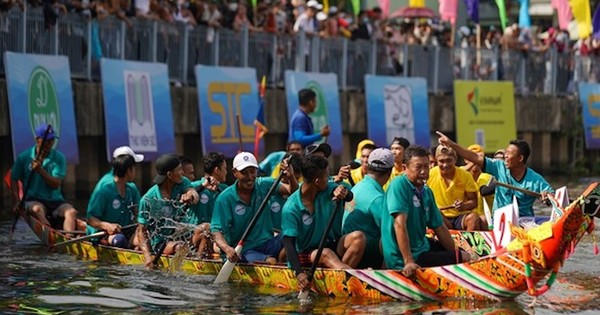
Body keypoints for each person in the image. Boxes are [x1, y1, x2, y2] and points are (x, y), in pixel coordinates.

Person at [381, 145, 471, 277]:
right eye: (418, 167)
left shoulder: (426, 191)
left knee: (464, 254)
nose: (424, 171)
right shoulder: (399, 185)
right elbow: (399, 224)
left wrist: (455, 253)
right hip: (404, 258)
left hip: (422, 247)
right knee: (463, 257)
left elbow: (439, 227)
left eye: (426, 166)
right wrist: (408, 262)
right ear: (405, 168)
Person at [282, 155, 365, 292]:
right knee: (325, 253)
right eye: (327, 176)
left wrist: (342, 192)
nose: (330, 179)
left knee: (358, 237)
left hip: (328, 244)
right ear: (317, 181)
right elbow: (289, 244)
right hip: (304, 253)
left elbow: (350, 196)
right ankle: (358, 280)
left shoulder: (326, 188)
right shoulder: (291, 208)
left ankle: (342, 278)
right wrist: (299, 273)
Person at [437, 132, 554, 220]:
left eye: (509, 154)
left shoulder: (535, 180)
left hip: (524, 221)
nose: (505, 156)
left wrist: (547, 197)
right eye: (505, 153)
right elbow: (475, 157)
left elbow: (553, 196)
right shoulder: (499, 167)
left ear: (520, 158)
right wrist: (451, 144)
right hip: (500, 222)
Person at [211, 152, 298, 264]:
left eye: (252, 172)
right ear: (234, 173)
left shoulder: (263, 184)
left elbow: (293, 193)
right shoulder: (225, 199)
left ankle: (285, 261)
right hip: (243, 250)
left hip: (268, 243)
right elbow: (215, 231)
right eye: (244, 173)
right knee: (271, 261)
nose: (249, 177)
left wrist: (291, 177)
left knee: (292, 234)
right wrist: (227, 249)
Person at [11, 124, 80, 236]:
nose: (49, 144)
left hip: (55, 200)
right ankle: (49, 233)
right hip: (33, 199)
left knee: (71, 212)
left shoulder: (59, 158)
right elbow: (14, 178)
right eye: (47, 140)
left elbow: (55, 184)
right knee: (37, 209)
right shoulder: (24, 157)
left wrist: (40, 171)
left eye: (52, 140)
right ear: (37, 140)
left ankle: (69, 238)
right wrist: (16, 201)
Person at [136, 153, 200, 268]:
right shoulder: (148, 200)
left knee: (204, 229)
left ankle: (199, 259)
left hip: (177, 233)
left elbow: (194, 194)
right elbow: (141, 231)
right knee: (181, 247)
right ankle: (179, 275)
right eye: (179, 170)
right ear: (170, 175)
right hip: (160, 243)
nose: (182, 173)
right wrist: (147, 257)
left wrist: (190, 195)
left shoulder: (182, 182)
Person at [343, 148, 394, 268]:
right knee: (392, 237)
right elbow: (392, 230)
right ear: (389, 172)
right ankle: (386, 277)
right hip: (363, 252)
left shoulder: (358, 187)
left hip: (346, 244)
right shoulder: (377, 199)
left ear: (368, 167)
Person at [86, 154, 141, 248]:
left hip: (126, 230)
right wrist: (107, 226)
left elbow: (139, 212)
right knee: (120, 240)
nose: (135, 172)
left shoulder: (131, 189)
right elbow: (90, 219)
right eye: (134, 169)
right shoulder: (104, 191)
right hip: (106, 233)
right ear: (128, 171)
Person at [428, 146, 484, 231]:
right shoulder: (430, 174)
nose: (445, 165)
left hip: (460, 217)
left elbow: (474, 202)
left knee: (473, 218)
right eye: (441, 161)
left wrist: (464, 205)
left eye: (449, 160)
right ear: (436, 160)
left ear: (455, 159)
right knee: (436, 214)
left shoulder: (465, 175)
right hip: (440, 217)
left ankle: (470, 243)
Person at [187, 152, 228, 257]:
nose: (227, 172)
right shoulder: (193, 187)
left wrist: (218, 190)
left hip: (215, 236)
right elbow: (185, 198)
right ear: (217, 170)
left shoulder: (225, 190)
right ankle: (198, 261)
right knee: (207, 227)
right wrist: (203, 186)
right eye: (225, 169)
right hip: (193, 237)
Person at [462, 144, 495, 227]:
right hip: (465, 218)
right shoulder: (460, 175)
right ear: (465, 160)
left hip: (486, 219)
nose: (476, 161)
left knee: (483, 219)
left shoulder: (487, 177)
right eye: (472, 157)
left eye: (478, 158)